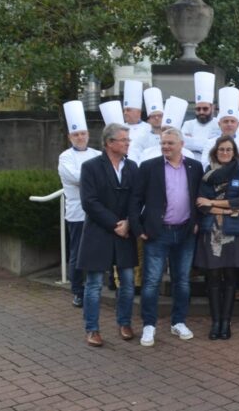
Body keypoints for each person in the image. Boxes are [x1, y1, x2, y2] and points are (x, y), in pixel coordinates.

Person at [130, 126, 203, 347]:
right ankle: (149, 325)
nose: (166, 146)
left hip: (185, 232)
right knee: (151, 281)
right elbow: (135, 200)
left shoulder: (195, 167)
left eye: (170, 143)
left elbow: (199, 197)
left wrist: (197, 222)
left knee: (182, 281)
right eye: (163, 143)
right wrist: (138, 228)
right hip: (157, 232)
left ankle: (178, 321)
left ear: (181, 145)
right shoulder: (148, 167)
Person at [77, 123, 138, 348]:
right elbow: (89, 202)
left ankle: (124, 323)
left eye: (128, 140)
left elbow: (136, 199)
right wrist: (115, 224)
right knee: (94, 284)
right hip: (99, 232)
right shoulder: (90, 167)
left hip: (125, 232)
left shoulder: (132, 167)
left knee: (128, 282)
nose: (127, 143)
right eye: (124, 140)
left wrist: (129, 222)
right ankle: (92, 329)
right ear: (110, 143)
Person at [194, 135, 239, 340]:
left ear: (234, 153)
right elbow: (200, 204)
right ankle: (215, 322)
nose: (225, 153)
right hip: (211, 231)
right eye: (221, 149)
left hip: (233, 232)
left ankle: (226, 322)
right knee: (213, 278)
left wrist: (212, 203)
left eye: (228, 149)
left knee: (231, 277)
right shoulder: (207, 174)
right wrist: (227, 209)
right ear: (215, 152)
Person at [59, 100, 100, 308]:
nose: (80, 137)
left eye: (83, 133)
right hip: (77, 213)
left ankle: (95, 287)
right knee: (77, 253)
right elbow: (76, 178)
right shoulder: (65, 157)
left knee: (99, 251)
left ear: (88, 135)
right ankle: (77, 290)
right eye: (76, 134)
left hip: (98, 213)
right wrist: (97, 178)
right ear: (70, 137)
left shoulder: (97, 155)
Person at [182, 72, 221, 159]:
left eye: (205, 109)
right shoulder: (188, 124)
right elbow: (183, 144)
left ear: (212, 108)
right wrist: (208, 143)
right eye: (198, 109)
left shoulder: (219, 124)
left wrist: (193, 141)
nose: (201, 112)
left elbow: (218, 146)